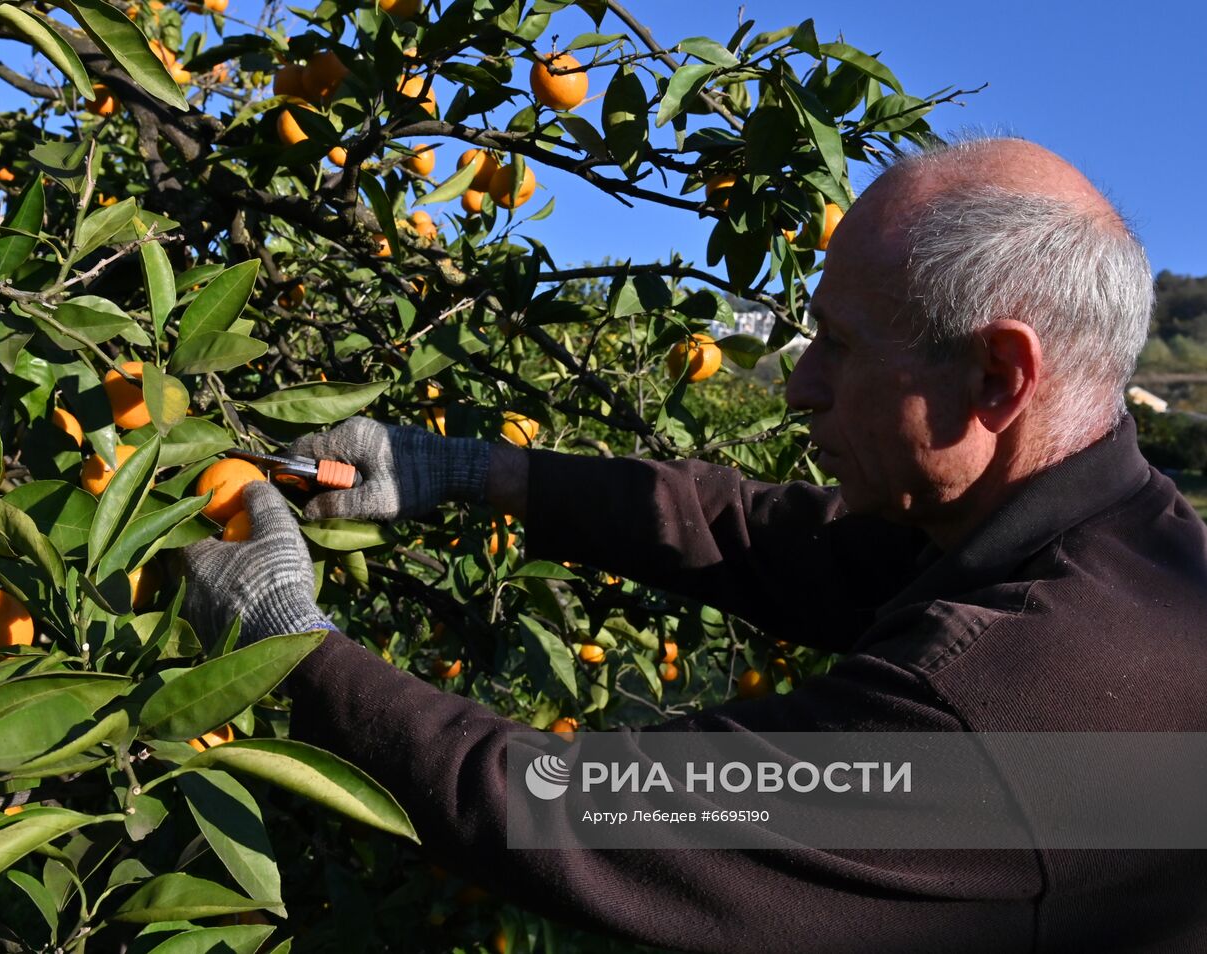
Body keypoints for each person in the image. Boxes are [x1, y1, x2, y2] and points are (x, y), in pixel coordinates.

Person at [181, 138, 1207, 953]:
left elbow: (574, 814)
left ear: (994, 377)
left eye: (838, 349)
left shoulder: (1011, 713)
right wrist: (470, 472)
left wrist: (286, 640)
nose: (800, 389)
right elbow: (751, 530)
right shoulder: (1116, 544)